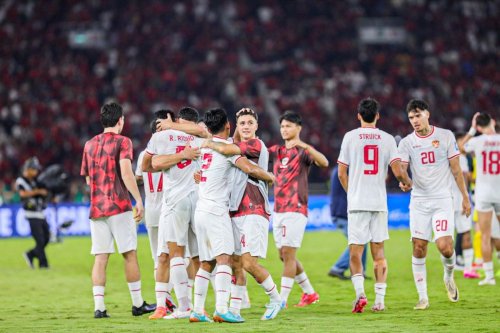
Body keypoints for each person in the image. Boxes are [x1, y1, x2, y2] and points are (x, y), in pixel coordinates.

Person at [191, 108, 275, 323]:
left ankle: (199, 310)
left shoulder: (211, 149)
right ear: (230, 125)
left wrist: (206, 141)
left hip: (208, 210)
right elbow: (249, 168)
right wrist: (270, 176)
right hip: (220, 210)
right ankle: (223, 309)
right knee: (226, 260)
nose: (245, 126)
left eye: (249, 122)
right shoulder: (227, 151)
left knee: (212, 263)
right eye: (242, 123)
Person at [80, 102, 155, 318]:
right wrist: (138, 200)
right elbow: (125, 171)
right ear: (120, 120)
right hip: (119, 207)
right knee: (129, 254)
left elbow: (87, 178)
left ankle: (99, 308)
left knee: (100, 257)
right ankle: (137, 304)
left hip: (96, 209)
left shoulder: (89, 145)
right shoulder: (123, 142)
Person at [337, 98, 413, 313]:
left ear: (358, 115)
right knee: (379, 253)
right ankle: (379, 301)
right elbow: (398, 172)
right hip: (379, 203)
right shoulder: (388, 139)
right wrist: (407, 183)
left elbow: (342, 173)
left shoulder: (350, 137)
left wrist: (352, 193)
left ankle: (360, 294)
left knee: (355, 252)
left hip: (358, 203)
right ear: (378, 116)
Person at [398, 99, 471, 310]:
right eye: (411, 117)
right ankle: (423, 298)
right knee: (419, 248)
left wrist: (465, 198)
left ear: (427, 114)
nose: (414, 120)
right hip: (419, 201)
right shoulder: (406, 142)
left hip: (442, 200)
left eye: (418, 115)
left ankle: (448, 276)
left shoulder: (445, 136)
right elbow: (402, 167)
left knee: (445, 247)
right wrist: (404, 180)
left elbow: (456, 170)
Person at [269, 110, 329, 308]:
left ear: (298, 128)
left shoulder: (303, 152)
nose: (284, 129)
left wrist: (305, 145)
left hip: (296, 208)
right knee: (283, 255)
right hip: (277, 209)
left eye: (289, 126)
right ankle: (310, 293)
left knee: (288, 254)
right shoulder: (276, 150)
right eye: (282, 126)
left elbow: (324, 162)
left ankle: (281, 300)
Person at [135, 110, 175, 279]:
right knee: (176, 255)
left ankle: (163, 294)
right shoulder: (170, 153)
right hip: (168, 210)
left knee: (156, 257)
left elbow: (138, 177)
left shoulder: (143, 155)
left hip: (151, 210)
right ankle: (173, 294)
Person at [461, 112, 500, 285]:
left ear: (478, 127)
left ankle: (490, 276)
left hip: (483, 193)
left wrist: (471, 129)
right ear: (492, 122)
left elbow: (461, 147)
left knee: (484, 235)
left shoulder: (477, 141)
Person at [327, 166, 367, 280]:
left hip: (340, 212)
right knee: (358, 241)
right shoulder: (345, 169)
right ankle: (338, 268)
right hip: (343, 213)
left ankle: (360, 271)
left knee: (362, 239)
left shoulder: (338, 169)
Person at [452, 132, 479, 279]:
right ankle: (467, 267)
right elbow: (464, 179)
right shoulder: (461, 158)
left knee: (449, 236)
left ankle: (454, 265)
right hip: (460, 201)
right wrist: (465, 198)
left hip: (447, 201)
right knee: (466, 232)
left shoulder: (446, 157)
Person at [17, 157, 50, 269]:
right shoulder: (21, 180)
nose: (36, 172)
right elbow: (22, 194)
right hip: (31, 214)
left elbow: (44, 191)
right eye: (35, 169)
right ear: (29, 169)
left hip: (40, 212)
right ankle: (43, 265)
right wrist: (38, 191)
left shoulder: (36, 181)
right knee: (40, 240)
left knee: (46, 238)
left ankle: (30, 254)